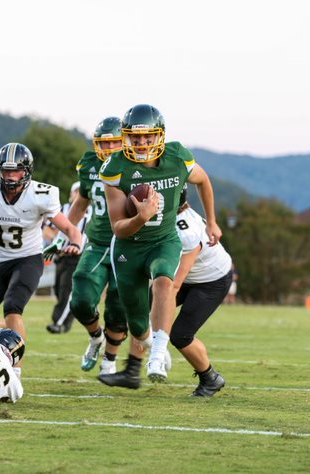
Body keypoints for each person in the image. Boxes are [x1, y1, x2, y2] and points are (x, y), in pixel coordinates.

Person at [97, 104, 221, 389]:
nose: (142, 143)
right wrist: (140, 217)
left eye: (148, 137)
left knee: (164, 283)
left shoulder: (177, 156)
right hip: (129, 248)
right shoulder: (115, 168)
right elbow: (118, 227)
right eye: (135, 137)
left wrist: (212, 221)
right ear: (126, 137)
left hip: (164, 241)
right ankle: (151, 343)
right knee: (138, 325)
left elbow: (203, 180)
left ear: (160, 136)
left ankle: (156, 354)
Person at [0, 142, 82, 376]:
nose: (11, 176)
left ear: (27, 172)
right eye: (6, 171)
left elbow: (70, 228)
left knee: (13, 306)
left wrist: (75, 243)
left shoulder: (41, 195)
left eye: (16, 171)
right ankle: (3, 327)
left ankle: (15, 372)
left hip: (28, 259)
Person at [62, 116, 129, 375]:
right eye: (103, 144)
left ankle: (110, 360)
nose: (109, 149)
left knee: (119, 306)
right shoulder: (90, 164)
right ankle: (95, 338)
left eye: (114, 143)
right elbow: (81, 202)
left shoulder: (137, 165)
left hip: (129, 245)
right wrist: (65, 234)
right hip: (99, 242)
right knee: (79, 299)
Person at [170, 187, 231, 397]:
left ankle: (210, 378)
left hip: (210, 280)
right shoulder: (175, 215)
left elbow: (174, 284)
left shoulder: (185, 230)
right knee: (145, 304)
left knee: (180, 335)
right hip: (190, 276)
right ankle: (132, 365)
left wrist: (154, 335)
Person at [45, 181, 91, 334]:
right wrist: (55, 242)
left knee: (67, 290)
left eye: (81, 192)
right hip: (61, 255)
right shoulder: (62, 210)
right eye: (75, 192)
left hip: (78, 256)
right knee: (58, 289)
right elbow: (47, 228)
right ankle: (68, 319)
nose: (78, 195)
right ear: (71, 194)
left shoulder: (92, 212)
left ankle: (58, 322)